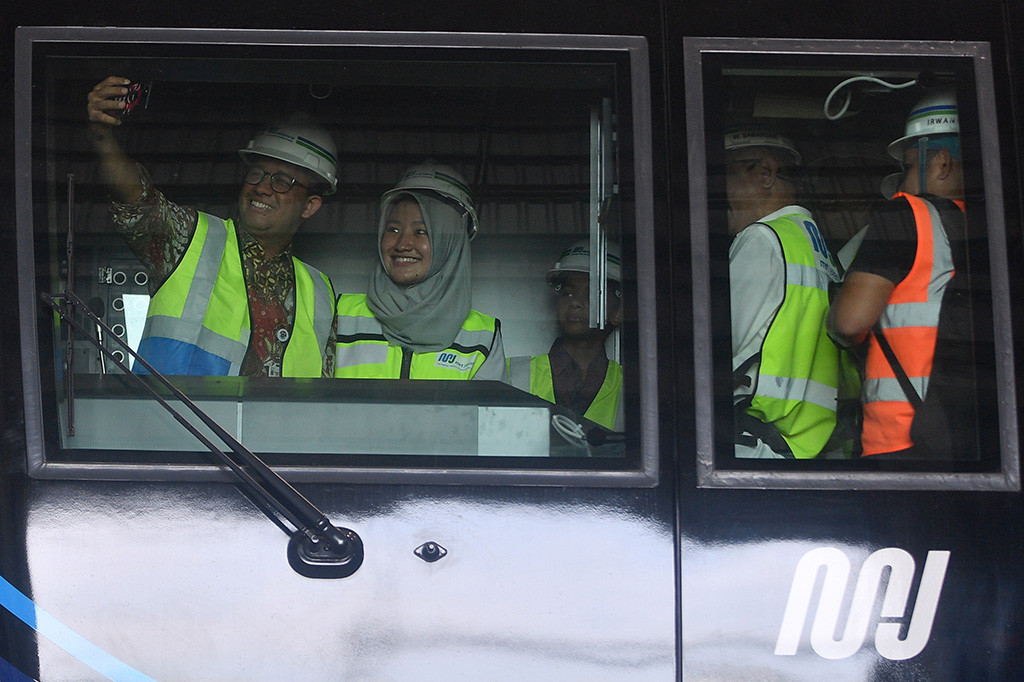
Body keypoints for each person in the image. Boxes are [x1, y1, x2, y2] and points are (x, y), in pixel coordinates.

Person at [86, 76, 338, 378]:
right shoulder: (190, 238)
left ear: (310, 206)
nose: (262, 188)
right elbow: (136, 198)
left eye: (282, 181)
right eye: (257, 173)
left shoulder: (321, 293)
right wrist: (103, 139)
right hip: (179, 426)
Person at [828, 90, 966, 458]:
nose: (902, 184)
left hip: (901, 439)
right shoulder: (994, 231)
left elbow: (849, 322)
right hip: (973, 441)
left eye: (907, 167)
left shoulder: (908, 216)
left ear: (941, 162)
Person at [726, 126, 846, 459]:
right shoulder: (817, 246)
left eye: (724, 177)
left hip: (760, 440)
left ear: (765, 173)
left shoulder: (763, 239)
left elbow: (721, 352)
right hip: (809, 444)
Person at [333, 162, 505, 380]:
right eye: (393, 229)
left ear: (451, 243)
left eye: (421, 231)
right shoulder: (340, 315)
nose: (403, 243)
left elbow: (490, 414)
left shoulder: (482, 337)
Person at [506, 240, 624, 431]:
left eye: (592, 294)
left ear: (618, 312)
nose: (575, 302)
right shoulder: (511, 374)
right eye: (568, 293)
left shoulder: (632, 388)